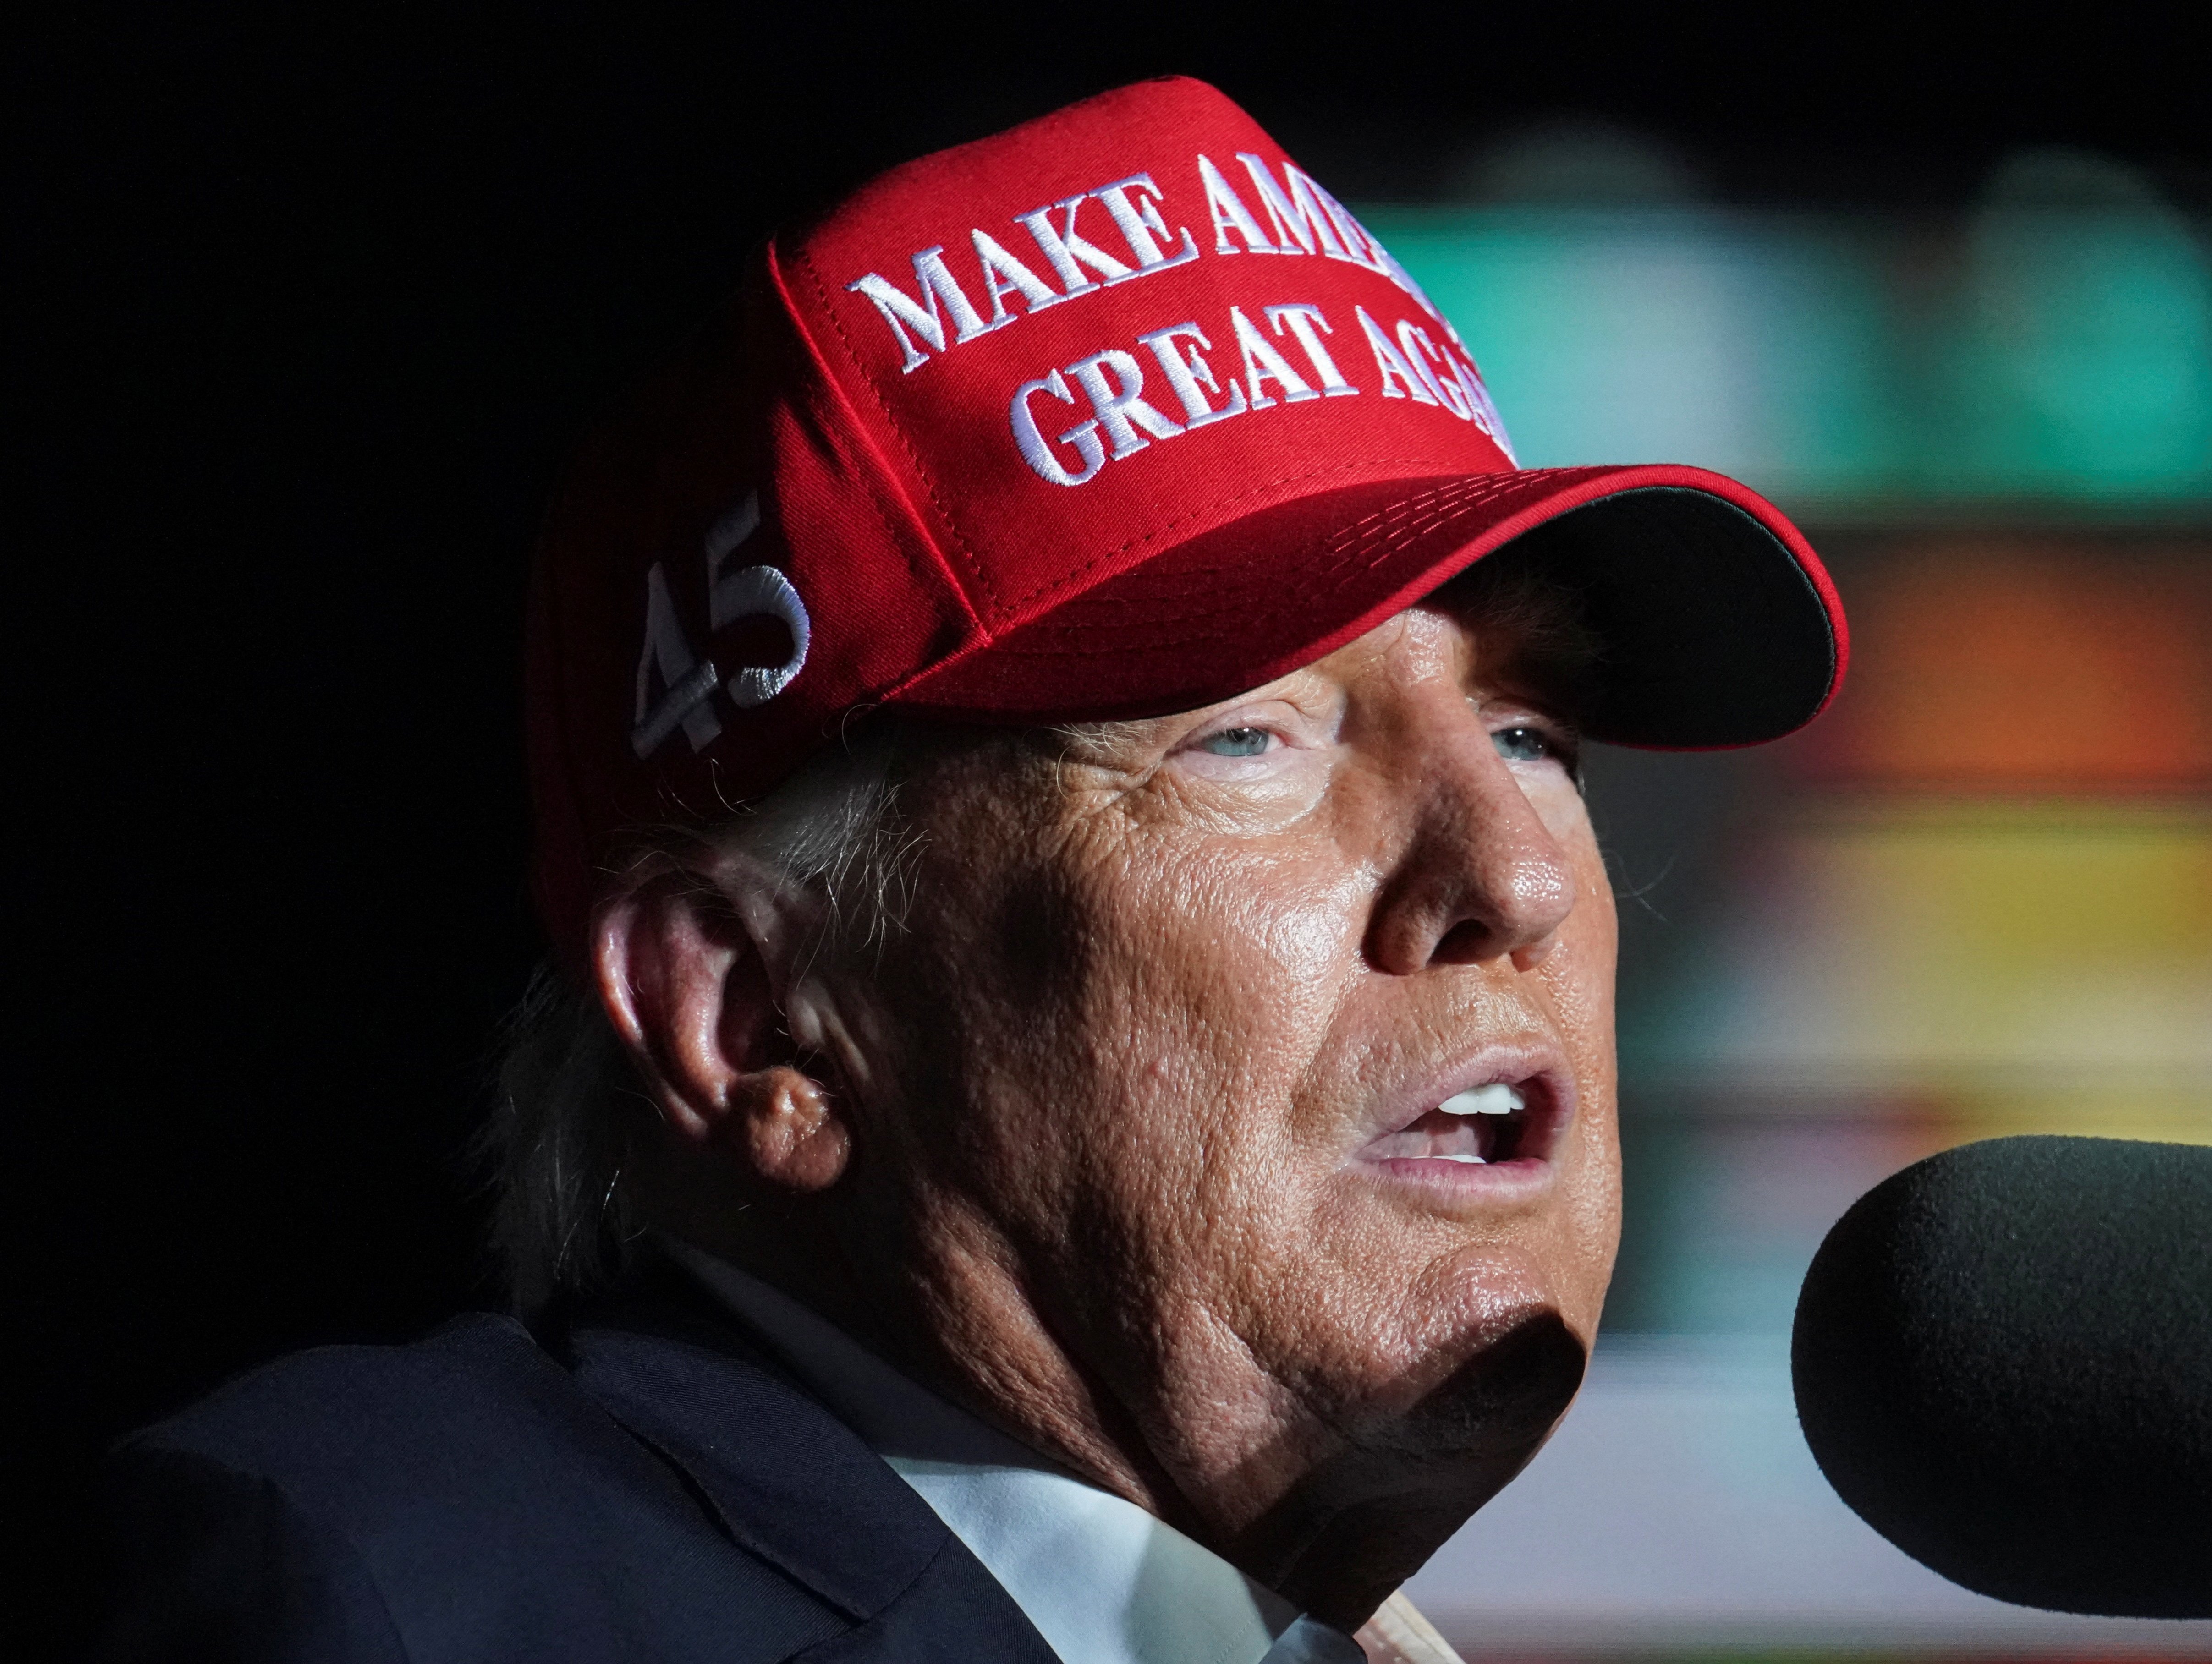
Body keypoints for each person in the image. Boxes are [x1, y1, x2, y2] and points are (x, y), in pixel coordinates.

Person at [97, 77, 1844, 1664]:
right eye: (1247, 739)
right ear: (757, 1015)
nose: (1518, 879)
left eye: (1529, 730)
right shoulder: (391, 1590)